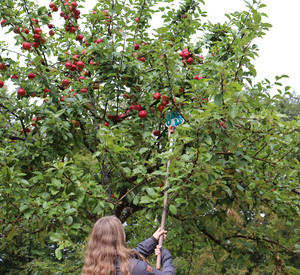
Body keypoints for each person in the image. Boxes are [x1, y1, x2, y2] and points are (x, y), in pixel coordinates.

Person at [82, 215, 175, 275]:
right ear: (120, 238)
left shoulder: (93, 269)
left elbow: (127, 256)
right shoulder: (135, 268)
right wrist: (166, 256)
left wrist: (153, 240)